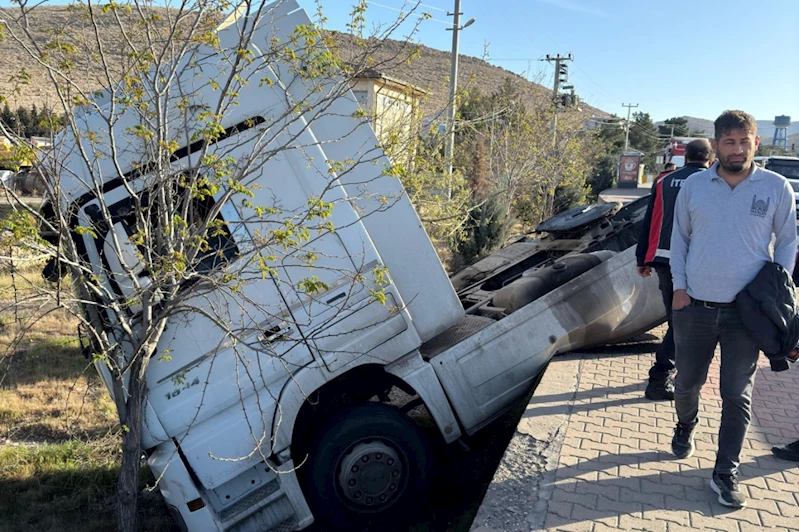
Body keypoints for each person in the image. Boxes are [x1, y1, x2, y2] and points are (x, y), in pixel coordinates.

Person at [669, 110, 797, 508]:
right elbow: (680, 240)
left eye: (745, 141)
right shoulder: (694, 187)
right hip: (695, 307)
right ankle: (686, 423)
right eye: (729, 141)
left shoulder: (776, 187)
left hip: (748, 314)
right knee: (687, 384)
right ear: (716, 145)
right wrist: (679, 288)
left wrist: (778, 285)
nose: (737, 148)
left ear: (756, 143)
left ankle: (725, 473)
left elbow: (789, 240)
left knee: (736, 395)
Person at [635, 139, 713, 400]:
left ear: (685, 157)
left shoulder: (663, 181)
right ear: (709, 159)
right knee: (684, 323)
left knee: (677, 319)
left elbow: (650, 221)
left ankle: (671, 372)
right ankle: (660, 377)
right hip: (696, 262)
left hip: (664, 260)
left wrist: (642, 259)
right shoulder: (713, 182)